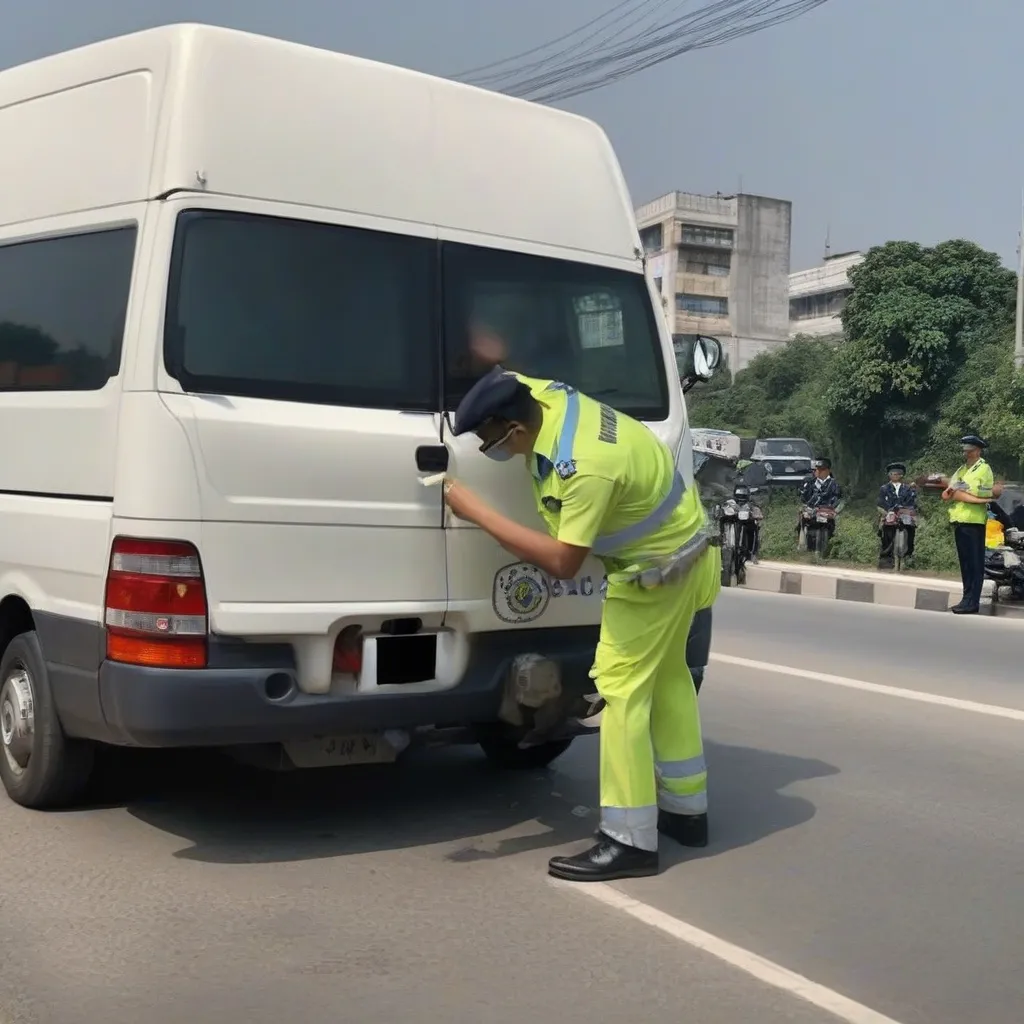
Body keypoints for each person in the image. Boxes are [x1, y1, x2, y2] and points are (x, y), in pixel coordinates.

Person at [443, 365, 720, 882]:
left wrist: (476, 511)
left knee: (621, 695)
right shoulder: (545, 394)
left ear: (515, 429)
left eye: (490, 441)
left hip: (654, 576)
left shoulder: (585, 466)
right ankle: (687, 813)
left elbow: (564, 562)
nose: (491, 450)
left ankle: (628, 840)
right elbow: (503, 366)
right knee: (668, 681)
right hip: (691, 552)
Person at [941, 434, 995, 615]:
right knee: (965, 564)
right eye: (965, 451)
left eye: (970, 451)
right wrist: (957, 492)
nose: (967, 454)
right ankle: (966, 599)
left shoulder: (984, 469)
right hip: (960, 520)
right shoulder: (962, 469)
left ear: (978, 450)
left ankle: (973, 602)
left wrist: (963, 493)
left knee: (974, 563)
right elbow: (948, 493)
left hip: (974, 521)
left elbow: (985, 495)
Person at [876, 462, 917, 569]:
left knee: (911, 530)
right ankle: (886, 560)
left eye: (898, 474)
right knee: (887, 535)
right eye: (892, 473)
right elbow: (880, 503)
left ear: (901, 475)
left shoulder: (908, 488)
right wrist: (886, 513)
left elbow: (912, 503)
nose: (895, 475)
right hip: (889, 514)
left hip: (904, 513)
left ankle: (908, 558)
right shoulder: (884, 488)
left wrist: (908, 511)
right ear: (889, 475)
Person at [797, 457, 842, 546]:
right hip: (812, 510)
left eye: (822, 469)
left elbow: (837, 498)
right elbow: (804, 496)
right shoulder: (810, 483)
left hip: (827, 511)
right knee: (802, 520)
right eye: (817, 469)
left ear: (828, 470)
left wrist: (832, 507)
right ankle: (801, 541)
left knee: (832, 522)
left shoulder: (834, 484)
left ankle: (831, 538)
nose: (819, 471)